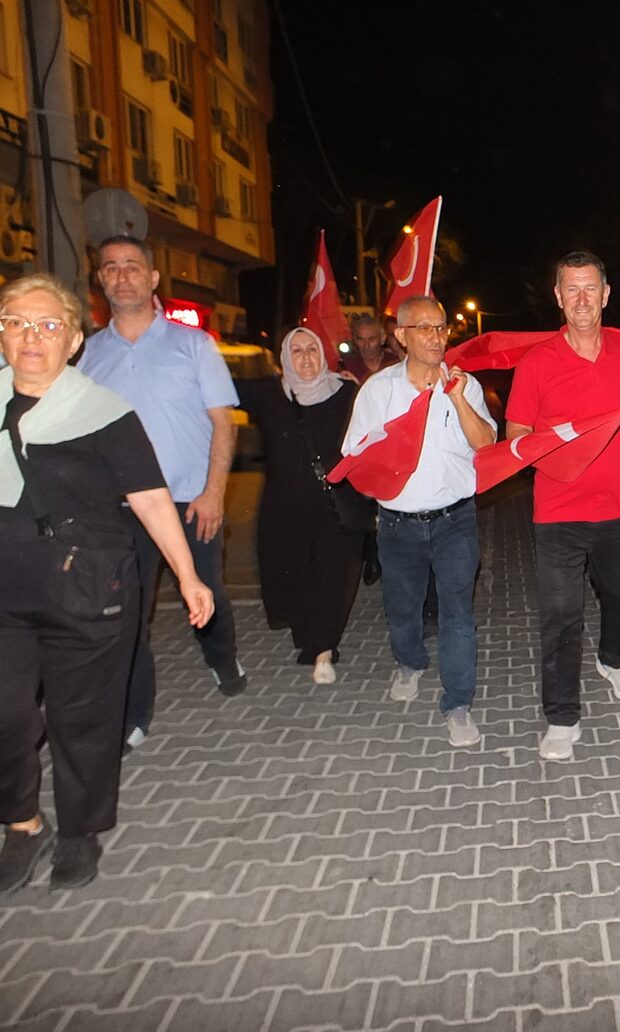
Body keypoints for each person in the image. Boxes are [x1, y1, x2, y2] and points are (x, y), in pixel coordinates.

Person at [0, 274, 213, 893]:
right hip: (6, 593)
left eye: (47, 325)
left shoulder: (104, 412)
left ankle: (77, 832)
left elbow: (149, 497)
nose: (30, 336)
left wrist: (189, 575)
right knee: (6, 715)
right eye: (15, 322)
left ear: (72, 342)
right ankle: (22, 821)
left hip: (87, 589)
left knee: (83, 717)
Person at [505, 250, 620, 762]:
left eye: (591, 289)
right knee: (561, 616)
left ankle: (614, 658)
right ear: (558, 297)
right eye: (571, 289)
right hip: (558, 511)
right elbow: (516, 432)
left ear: (606, 295)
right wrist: (545, 444)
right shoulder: (538, 361)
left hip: (619, 507)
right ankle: (561, 716)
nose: (582, 299)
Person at [79, 235, 243, 752]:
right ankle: (135, 713)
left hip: (191, 500)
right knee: (131, 611)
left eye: (132, 267)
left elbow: (224, 423)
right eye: (111, 268)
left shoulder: (193, 345)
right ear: (101, 282)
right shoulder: (86, 356)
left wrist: (215, 492)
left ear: (153, 279)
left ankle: (222, 659)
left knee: (207, 592)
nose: (122, 275)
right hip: (122, 511)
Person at [342, 295, 496, 745]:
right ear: (401, 336)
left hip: (455, 521)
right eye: (424, 328)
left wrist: (457, 398)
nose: (436, 336)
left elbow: (486, 444)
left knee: (457, 614)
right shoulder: (378, 390)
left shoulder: (463, 385)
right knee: (403, 609)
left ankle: (458, 703)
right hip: (398, 525)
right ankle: (409, 663)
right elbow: (355, 456)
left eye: (441, 327)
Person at [236, 328, 372, 685]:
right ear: (284, 358)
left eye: (312, 348)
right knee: (294, 575)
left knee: (330, 574)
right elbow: (215, 386)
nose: (306, 358)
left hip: (334, 507)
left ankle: (323, 649)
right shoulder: (269, 394)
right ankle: (309, 636)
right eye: (296, 351)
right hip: (283, 510)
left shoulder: (346, 392)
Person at [343, 316, 400, 383]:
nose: (366, 345)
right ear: (355, 341)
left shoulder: (395, 362)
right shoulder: (348, 365)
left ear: (382, 339)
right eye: (361, 339)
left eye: (371, 339)